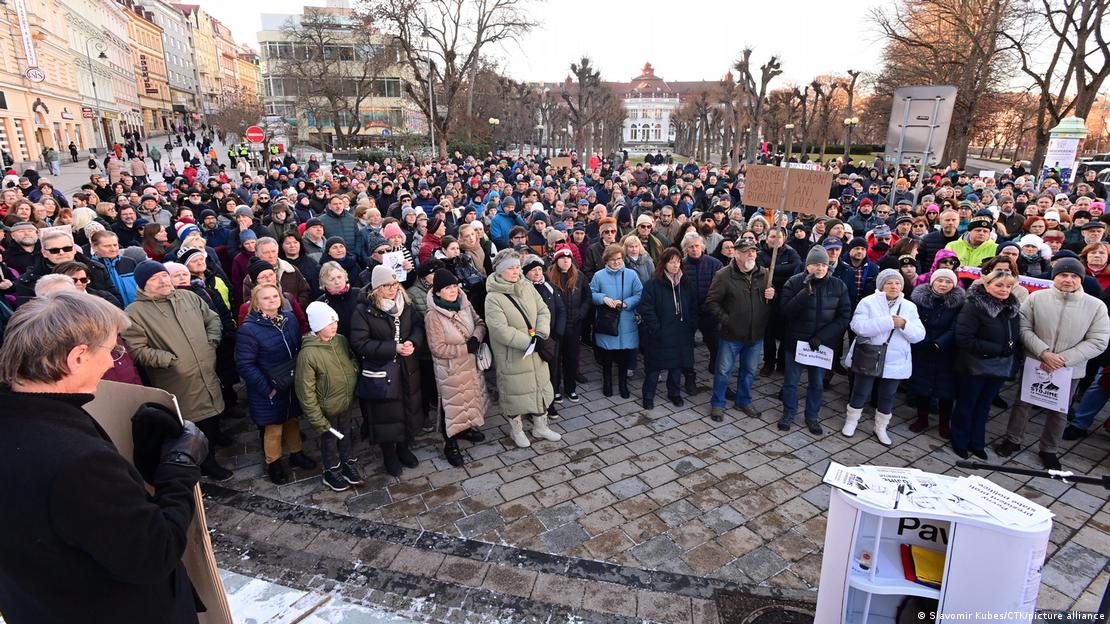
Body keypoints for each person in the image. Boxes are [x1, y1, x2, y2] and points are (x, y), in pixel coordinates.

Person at [0, 291, 209, 623]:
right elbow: (154, 555)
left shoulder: (22, 417)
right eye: (112, 349)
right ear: (78, 357)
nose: (114, 361)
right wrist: (179, 466)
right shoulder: (76, 463)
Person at [994, 258, 1109, 469]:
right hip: (1036, 361)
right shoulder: (1037, 298)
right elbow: (1023, 328)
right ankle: (1013, 439)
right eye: (1063, 275)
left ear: (1081, 279)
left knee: (1059, 410)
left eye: (1074, 276)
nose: (1068, 280)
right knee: (1022, 403)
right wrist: (1044, 353)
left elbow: (1098, 340)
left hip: (1069, 368)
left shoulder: (1096, 306)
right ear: (1054, 276)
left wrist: (1063, 360)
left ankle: (1049, 450)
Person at [121, 261, 232, 479]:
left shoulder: (188, 297)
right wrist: (169, 360)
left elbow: (213, 319)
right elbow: (136, 349)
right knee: (190, 424)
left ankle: (211, 452)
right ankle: (201, 463)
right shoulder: (134, 313)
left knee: (211, 415)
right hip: (175, 379)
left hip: (205, 369)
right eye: (155, 279)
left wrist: (211, 342)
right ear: (143, 285)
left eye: (164, 275)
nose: (163, 281)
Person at [350, 265, 425, 477]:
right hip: (382, 371)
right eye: (386, 286)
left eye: (394, 284)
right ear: (376, 288)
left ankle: (403, 447)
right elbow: (360, 343)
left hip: (407, 367)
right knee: (386, 414)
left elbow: (418, 327)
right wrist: (393, 348)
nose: (392, 289)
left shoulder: (406, 304)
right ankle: (389, 455)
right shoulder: (364, 310)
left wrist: (412, 342)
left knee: (407, 408)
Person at [236, 282, 313, 485]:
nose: (272, 300)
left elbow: (298, 348)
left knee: (292, 419)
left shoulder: (289, 319)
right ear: (257, 304)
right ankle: (274, 463)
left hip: (290, 381)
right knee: (274, 427)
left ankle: (297, 454)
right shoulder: (249, 330)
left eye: (275, 296)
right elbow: (245, 364)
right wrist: (266, 388)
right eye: (266, 298)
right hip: (268, 386)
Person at [484, 249, 561, 447]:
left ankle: (540, 427)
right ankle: (516, 431)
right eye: (511, 268)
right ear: (500, 271)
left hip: (536, 350)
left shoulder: (527, 286)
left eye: (517, 267)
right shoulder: (493, 297)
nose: (516, 271)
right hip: (514, 355)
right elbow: (500, 330)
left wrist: (542, 335)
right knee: (514, 394)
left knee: (539, 389)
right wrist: (530, 342)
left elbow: (543, 310)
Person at [843, 269, 926, 445]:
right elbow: (857, 326)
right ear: (881, 286)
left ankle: (880, 427)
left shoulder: (909, 307)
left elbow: (919, 335)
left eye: (897, 283)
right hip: (869, 355)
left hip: (895, 360)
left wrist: (904, 324)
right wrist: (888, 322)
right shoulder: (868, 302)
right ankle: (851, 422)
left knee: (888, 395)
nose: (893, 286)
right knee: (860, 391)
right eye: (889, 283)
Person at [778, 245, 852, 432]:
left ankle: (812, 416)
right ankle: (788, 413)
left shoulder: (838, 285)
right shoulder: (794, 283)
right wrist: (805, 292)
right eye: (815, 264)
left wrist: (822, 337)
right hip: (796, 343)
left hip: (821, 346)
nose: (820, 269)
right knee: (791, 382)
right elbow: (785, 312)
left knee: (817, 384)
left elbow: (844, 317)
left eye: (823, 265)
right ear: (807, 266)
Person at [951, 268, 1021, 460]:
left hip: (999, 367)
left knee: (984, 406)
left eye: (1008, 286)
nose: (1004, 289)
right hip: (975, 365)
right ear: (987, 285)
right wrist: (997, 349)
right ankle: (960, 441)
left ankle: (977, 442)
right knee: (967, 404)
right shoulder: (974, 306)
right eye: (999, 285)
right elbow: (964, 339)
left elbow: (1014, 337)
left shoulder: (1011, 308)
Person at [295, 301, 364, 492]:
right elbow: (305, 390)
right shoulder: (308, 354)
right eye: (328, 322)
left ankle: (347, 462)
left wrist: (354, 370)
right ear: (317, 326)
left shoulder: (340, 339)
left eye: (335, 321)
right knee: (329, 439)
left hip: (345, 400)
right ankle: (331, 470)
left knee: (346, 433)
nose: (334, 325)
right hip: (327, 407)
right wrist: (316, 418)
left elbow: (351, 358)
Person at [424, 269, 488, 467]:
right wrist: (464, 348)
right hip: (450, 369)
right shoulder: (433, 316)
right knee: (451, 407)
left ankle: (467, 429)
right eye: (446, 288)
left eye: (454, 286)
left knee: (469, 399)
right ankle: (450, 444)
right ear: (437, 293)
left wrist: (476, 338)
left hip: (470, 364)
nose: (452, 291)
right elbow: (437, 348)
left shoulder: (464, 303)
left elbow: (480, 323)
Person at [705, 240, 774, 421]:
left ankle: (743, 400)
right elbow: (712, 302)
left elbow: (771, 303)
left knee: (749, 371)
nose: (751, 254)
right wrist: (728, 320)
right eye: (746, 251)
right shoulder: (724, 275)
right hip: (731, 335)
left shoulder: (765, 274)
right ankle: (718, 404)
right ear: (736, 253)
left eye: (753, 251)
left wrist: (773, 296)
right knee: (723, 371)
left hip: (755, 334)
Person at [907, 268, 965, 437]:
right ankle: (922, 419)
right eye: (940, 281)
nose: (943, 284)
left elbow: (957, 326)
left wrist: (940, 343)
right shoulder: (919, 300)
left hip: (946, 350)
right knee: (922, 385)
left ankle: (944, 423)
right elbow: (914, 321)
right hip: (922, 346)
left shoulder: (959, 303)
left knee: (946, 390)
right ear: (932, 282)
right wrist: (923, 341)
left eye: (948, 282)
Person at [639, 247, 698, 409]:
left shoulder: (686, 283)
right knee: (653, 368)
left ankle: (674, 393)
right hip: (660, 334)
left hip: (681, 333)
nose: (675, 265)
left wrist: (691, 325)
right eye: (672, 262)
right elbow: (646, 308)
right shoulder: (653, 284)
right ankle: (648, 395)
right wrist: (656, 328)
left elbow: (694, 306)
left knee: (676, 366)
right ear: (664, 263)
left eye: (678, 262)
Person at [591, 244, 644, 399]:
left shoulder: (631, 274)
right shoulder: (599, 275)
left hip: (626, 319)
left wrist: (627, 303)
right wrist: (603, 299)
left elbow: (639, 293)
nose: (616, 262)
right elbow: (591, 293)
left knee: (624, 356)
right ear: (606, 260)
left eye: (619, 259)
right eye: (612, 260)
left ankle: (622, 384)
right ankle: (607, 382)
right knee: (607, 356)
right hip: (607, 320)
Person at [524, 254, 565, 415]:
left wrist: (557, 332)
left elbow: (561, 309)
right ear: (526, 272)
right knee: (535, 374)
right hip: (534, 339)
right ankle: (533, 405)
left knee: (553, 370)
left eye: (539, 269)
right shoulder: (524, 289)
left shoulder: (548, 286)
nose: (537, 273)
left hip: (552, 337)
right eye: (533, 270)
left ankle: (550, 402)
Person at [682, 233, 724, 388]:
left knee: (715, 343)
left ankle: (714, 365)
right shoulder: (681, 265)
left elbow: (720, 288)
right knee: (686, 344)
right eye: (690, 247)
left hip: (710, 311)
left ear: (702, 246)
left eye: (696, 246)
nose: (694, 249)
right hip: (689, 312)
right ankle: (689, 375)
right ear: (686, 249)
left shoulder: (715, 264)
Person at [547, 248, 590, 402]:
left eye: (568, 258)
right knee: (555, 359)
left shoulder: (579, 276)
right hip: (556, 327)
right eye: (562, 258)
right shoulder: (549, 278)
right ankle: (555, 388)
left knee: (571, 358)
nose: (566, 261)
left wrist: (581, 313)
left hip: (574, 324)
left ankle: (570, 387)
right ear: (556, 261)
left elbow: (587, 297)